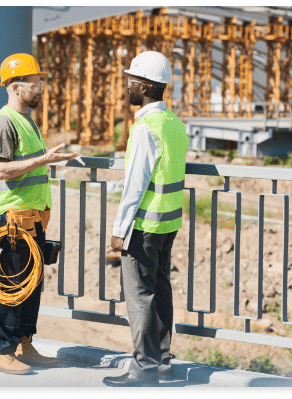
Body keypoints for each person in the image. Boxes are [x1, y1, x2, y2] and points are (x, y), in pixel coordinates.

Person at [0, 53, 80, 375]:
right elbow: (1, 171)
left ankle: (24, 344)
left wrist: (46, 161)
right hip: (11, 220)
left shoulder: (27, 121)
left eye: (40, 82)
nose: (40, 88)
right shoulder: (4, 121)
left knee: (31, 285)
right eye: (34, 83)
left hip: (32, 218)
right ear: (15, 86)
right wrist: (42, 162)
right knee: (11, 286)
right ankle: (1, 351)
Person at [105, 51, 189, 386]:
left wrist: (118, 230)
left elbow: (135, 186)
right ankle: (164, 366)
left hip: (143, 226)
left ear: (144, 86)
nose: (127, 85)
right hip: (168, 223)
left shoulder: (144, 128)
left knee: (140, 297)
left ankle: (144, 371)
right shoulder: (175, 125)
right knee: (160, 291)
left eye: (131, 80)